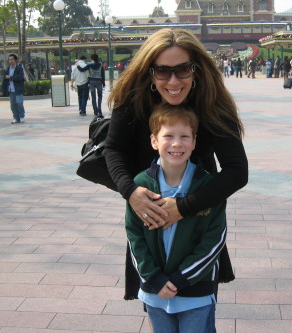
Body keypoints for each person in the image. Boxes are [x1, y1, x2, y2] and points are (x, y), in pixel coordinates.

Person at [104, 28, 248, 306]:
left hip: (199, 211)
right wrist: (130, 191)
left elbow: (236, 171)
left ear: (196, 71)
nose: (173, 80)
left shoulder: (212, 103)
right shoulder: (132, 100)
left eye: (182, 70)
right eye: (163, 71)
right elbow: (114, 149)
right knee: (155, 304)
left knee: (198, 303)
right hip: (149, 212)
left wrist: (184, 207)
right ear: (150, 72)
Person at [126, 103, 225, 333]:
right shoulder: (141, 185)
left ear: (194, 141)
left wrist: (183, 278)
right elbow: (134, 236)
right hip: (155, 292)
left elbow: (215, 240)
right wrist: (153, 277)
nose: (177, 143)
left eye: (184, 136)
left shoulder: (207, 186)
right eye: (168, 136)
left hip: (195, 292)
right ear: (154, 141)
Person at [0, 54, 26, 124]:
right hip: (11, 90)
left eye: (12, 59)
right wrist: (2, 90)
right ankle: (16, 118)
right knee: (13, 105)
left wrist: (11, 77)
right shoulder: (8, 69)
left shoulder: (19, 68)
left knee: (19, 103)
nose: (10, 61)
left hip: (18, 89)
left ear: (15, 60)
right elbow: (4, 80)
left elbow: (20, 77)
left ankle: (21, 116)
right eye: (9, 59)